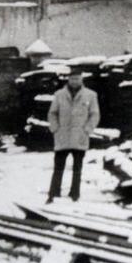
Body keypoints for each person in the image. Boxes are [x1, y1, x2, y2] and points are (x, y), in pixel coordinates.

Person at [46, 68, 100, 203]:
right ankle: (53, 193)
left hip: (79, 137)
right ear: (68, 79)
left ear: (81, 79)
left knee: (77, 168)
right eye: (72, 79)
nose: (74, 81)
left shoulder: (90, 95)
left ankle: (74, 193)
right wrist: (55, 128)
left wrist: (87, 129)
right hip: (62, 136)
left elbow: (95, 114)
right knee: (58, 167)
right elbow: (52, 113)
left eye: (77, 78)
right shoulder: (59, 95)